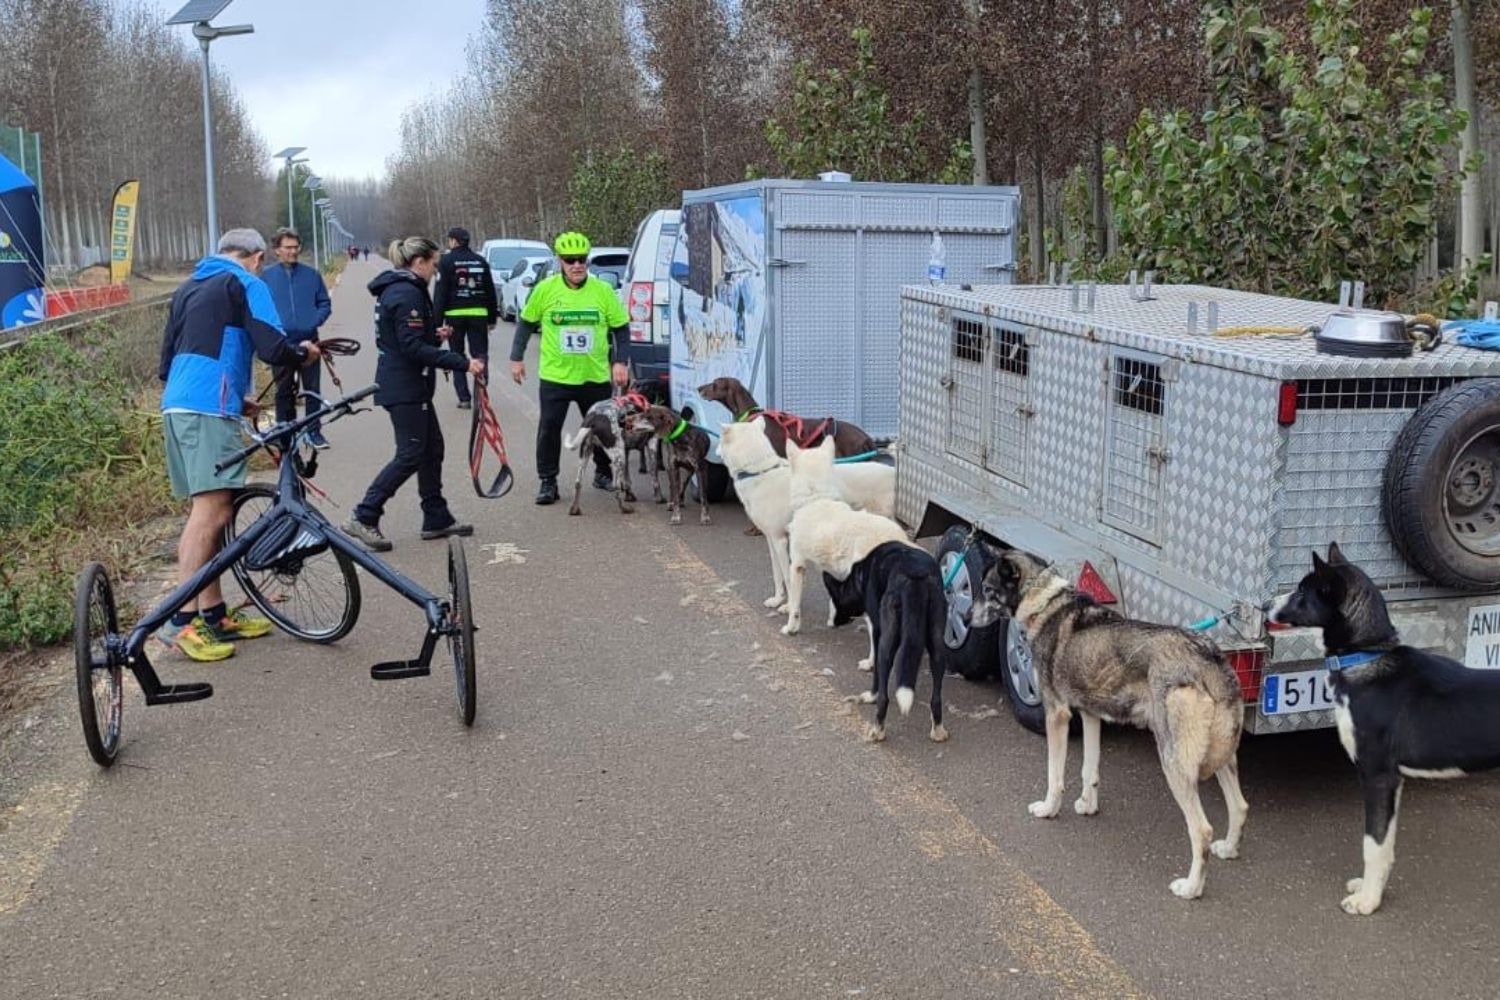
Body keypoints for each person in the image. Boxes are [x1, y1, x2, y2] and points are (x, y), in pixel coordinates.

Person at [157, 228, 322, 661]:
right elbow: (273, 346)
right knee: (209, 512)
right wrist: (304, 353)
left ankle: (212, 613)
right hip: (207, 410)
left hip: (181, 405)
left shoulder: (189, 286)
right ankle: (181, 621)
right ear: (257, 257)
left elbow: (167, 360)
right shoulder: (246, 282)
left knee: (218, 508)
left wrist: (234, 398)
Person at [344, 236, 484, 551]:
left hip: (411, 385)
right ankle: (364, 514)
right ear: (419, 262)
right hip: (403, 386)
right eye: (434, 264)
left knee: (432, 449)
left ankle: (436, 518)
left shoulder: (402, 290)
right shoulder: (406, 294)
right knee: (410, 453)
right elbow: (411, 348)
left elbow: (406, 337)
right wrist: (463, 363)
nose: (436, 271)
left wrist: (433, 335)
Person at [509, 231, 630, 505]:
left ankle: (602, 472)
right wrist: (516, 358)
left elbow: (621, 328)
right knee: (549, 428)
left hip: (594, 375)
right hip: (556, 376)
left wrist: (620, 362)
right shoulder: (546, 290)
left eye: (581, 260)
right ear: (560, 261)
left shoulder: (603, 291)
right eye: (570, 260)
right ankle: (548, 481)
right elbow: (526, 324)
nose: (576, 265)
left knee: (602, 429)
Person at [260, 227, 333, 449]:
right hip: (281, 344)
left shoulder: (312, 275)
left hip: (310, 342)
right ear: (276, 250)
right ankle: (286, 434)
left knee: (312, 390)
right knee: (283, 391)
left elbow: (324, 303)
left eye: (296, 247)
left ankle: (314, 432)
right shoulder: (265, 278)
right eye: (288, 247)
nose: (293, 251)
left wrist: (314, 321)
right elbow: (260, 309)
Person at [432, 226, 498, 410]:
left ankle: (464, 398)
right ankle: (481, 395)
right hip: (479, 314)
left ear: (453, 241)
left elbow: (440, 294)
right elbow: (490, 292)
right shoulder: (480, 261)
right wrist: (492, 318)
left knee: (457, 355)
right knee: (480, 354)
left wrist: (436, 324)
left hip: (454, 316)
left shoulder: (446, 262)